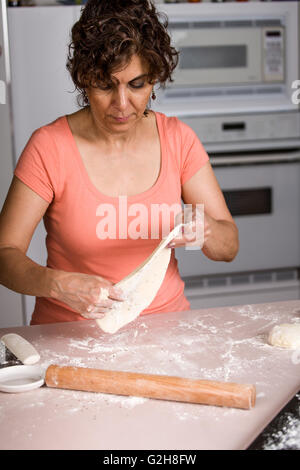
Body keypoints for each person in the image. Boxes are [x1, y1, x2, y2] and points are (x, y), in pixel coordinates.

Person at [0, 0, 238, 325]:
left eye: (137, 85)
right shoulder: (50, 147)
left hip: (166, 332)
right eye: (105, 85)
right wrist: (57, 284)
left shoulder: (178, 140)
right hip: (70, 336)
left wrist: (205, 231)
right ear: (84, 79)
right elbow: (4, 255)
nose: (122, 104)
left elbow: (228, 247)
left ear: (154, 79)